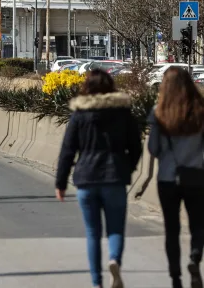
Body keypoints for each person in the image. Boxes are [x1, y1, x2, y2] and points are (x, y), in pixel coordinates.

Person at [55, 70, 142, 288]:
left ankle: (97, 283)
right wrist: (127, 167)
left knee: (93, 233)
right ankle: (114, 260)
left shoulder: (79, 115)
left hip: (86, 178)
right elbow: (136, 146)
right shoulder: (123, 113)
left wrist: (60, 182)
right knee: (115, 228)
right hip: (115, 177)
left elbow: (67, 150)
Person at [137, 67, 204, 288]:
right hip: (195, 176)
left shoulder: (159, 113)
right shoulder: (200, 109)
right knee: (197, 223)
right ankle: (195, 256)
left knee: (171, 229)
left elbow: (154, 149)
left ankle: (175, 277)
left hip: (167, 178)